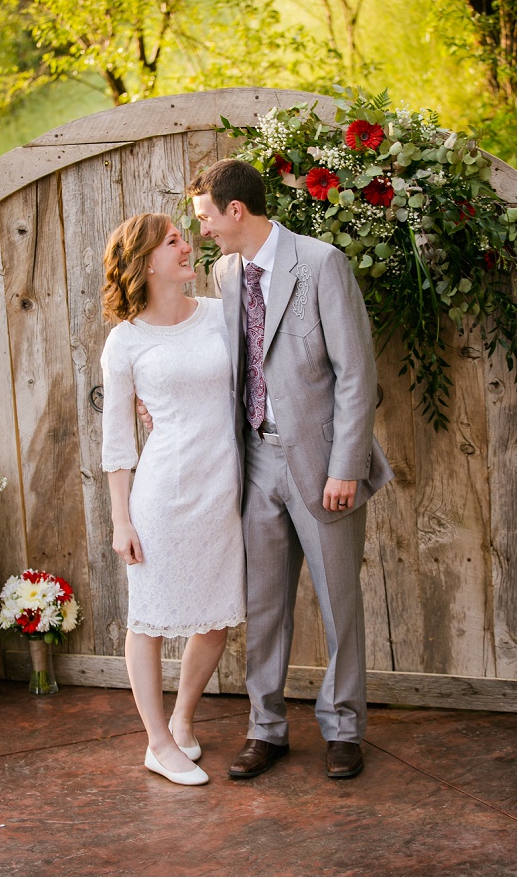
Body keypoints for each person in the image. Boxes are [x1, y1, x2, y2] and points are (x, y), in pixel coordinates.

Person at [182, 158, 394, 780]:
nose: (203, 232)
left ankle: (345, 730)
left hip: (323, 465)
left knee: (339, 604)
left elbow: (357, 373)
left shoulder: (321, 263)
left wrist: (346, 466)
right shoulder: (225, 272)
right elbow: (215, 356)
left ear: (235, 210)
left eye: (205, 218)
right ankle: (266, 728)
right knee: (264, 602)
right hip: (253, 464)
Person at [100, 212, 246, 787]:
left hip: (222, 489)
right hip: (161, 496)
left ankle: (183, 721)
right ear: (146, 262)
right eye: (174, 242)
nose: (189, 247)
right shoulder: (126, 340)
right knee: (151, 620)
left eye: (186, 237)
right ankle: (157, 743)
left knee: (215, 618)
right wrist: (120, 521)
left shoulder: (218, 316)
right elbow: (116, 441)